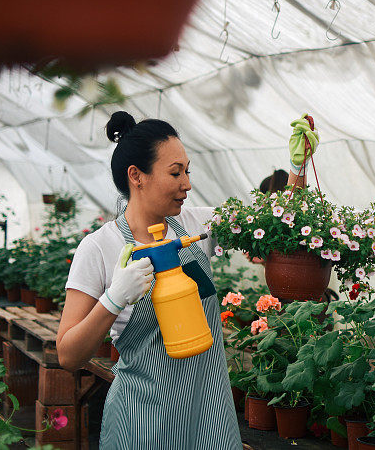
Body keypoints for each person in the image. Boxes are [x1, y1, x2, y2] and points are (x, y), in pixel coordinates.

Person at [56, 111, 318, 449]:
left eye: (188, 171)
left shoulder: (198, 226)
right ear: (137, 176)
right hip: (143, 422)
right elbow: (68, 355)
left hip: (210, 417)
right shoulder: (99, 248)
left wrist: (298, 169)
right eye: (175, 173)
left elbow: (277, 222)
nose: (188, 184)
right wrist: (114, 298)